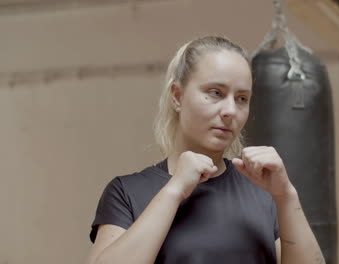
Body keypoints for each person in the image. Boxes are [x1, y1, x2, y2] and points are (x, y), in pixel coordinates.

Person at [85, 36, 324, 264]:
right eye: (215, 93)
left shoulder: (263, 192)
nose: (230, 110)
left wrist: (285, 195)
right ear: (177, 96)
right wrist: (175, 189)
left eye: (242, 98)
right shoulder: (127, 192)